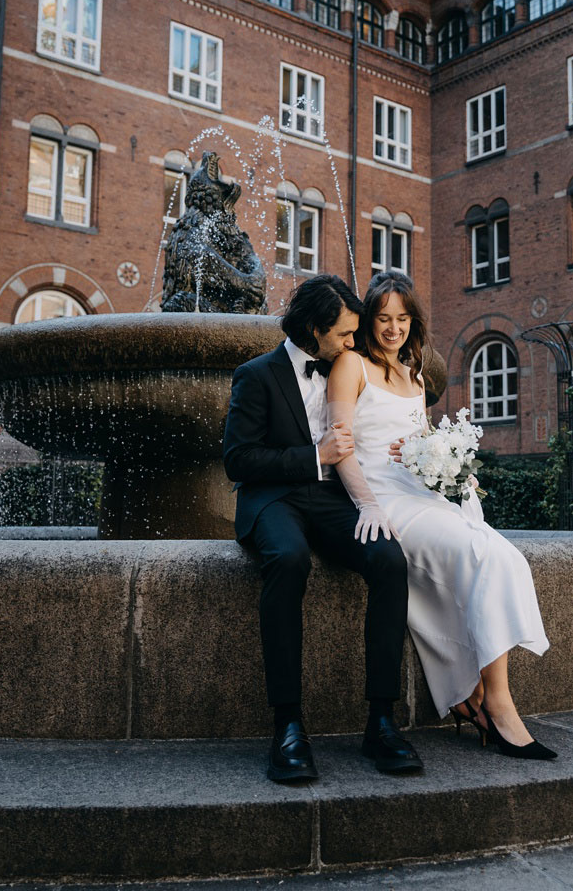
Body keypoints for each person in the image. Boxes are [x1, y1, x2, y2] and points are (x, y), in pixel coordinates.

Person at [325, 270, 555, 759]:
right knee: (478, 550)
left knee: (501, 555)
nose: (393, 329)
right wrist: (365, 503)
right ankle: (498, 703)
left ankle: (485, 697)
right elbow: (339, 445)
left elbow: (422, 443)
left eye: (402, 318)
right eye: (383, 318)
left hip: (420, 493)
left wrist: (453, 473)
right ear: (369, 319)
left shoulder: (413, 373)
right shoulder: (350, 366)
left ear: (414, 321)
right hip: (382, 500)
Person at [222, 274, 422, 783]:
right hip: (274, 498)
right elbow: (239, 460)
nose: (353, 342)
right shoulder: (256, 375)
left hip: (332, 500)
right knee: (288, 560)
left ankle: (381, 720)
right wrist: (313, 457)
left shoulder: (348, 367)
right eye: (343, 335)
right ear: (313, 330)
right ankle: (287, 725)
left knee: (388, 559)